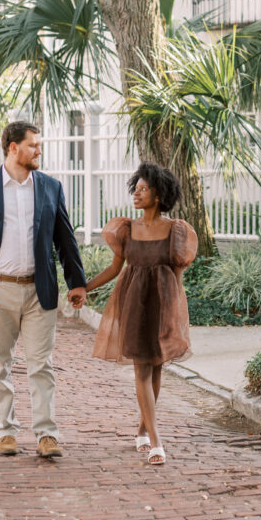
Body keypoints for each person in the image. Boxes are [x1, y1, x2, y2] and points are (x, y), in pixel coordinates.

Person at [0, 121, 87, 458]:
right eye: (33, 145)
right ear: (13, 148)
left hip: (38, 290)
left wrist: (77, 283)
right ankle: (6, 431)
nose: (39, 150)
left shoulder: (50, 187)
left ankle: (46, 434)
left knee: (41, 365)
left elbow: (65, 241)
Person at [83, 162, 198, 466]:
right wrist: (85, 288)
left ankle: (142, 430)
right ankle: (155, 440)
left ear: (158, 195)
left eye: (143, 188)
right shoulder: (127, 229)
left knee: (156, 368)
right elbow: (113, 269)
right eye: (135, 187)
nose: (136, 193)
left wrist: (175, 313)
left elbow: (177, 276)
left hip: (163, 304)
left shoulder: (176, 231)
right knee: (142, 370)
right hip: (133, 303)